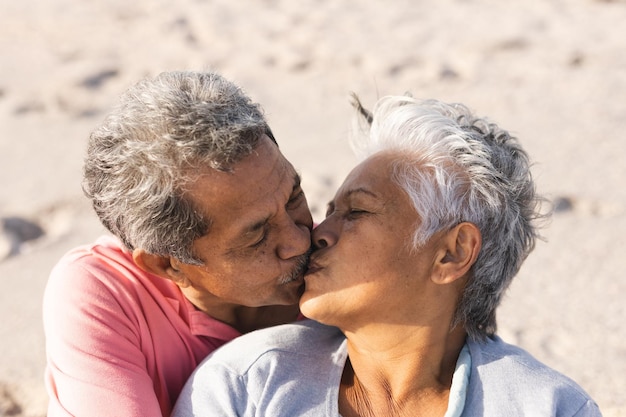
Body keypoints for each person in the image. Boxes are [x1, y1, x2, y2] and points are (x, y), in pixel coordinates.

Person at [172, 95, 602, 416]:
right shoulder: (247, 383)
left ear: (451, 253)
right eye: (329, 213)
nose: (317, 235)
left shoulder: (547, 407)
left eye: (356, 211)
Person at [42, 71, 313, 417]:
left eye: (294, 197)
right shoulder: (105, 293)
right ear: (167, 264)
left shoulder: (344, 260)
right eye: (257, 234)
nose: (299, 239)